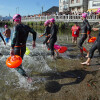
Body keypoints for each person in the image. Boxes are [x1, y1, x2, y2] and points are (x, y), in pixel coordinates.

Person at [10, 14, 37, 83]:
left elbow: (14, 37)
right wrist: (33, 41)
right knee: (19, 62)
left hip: (17, 48)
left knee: (16, 66)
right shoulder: (26, 27)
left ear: (15, 20)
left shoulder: (17, 27)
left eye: (13, 21)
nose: (13, 22)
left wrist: (11, 48)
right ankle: (23, 72)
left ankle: (27, 78)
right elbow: (34, 33)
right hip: (23, 48)